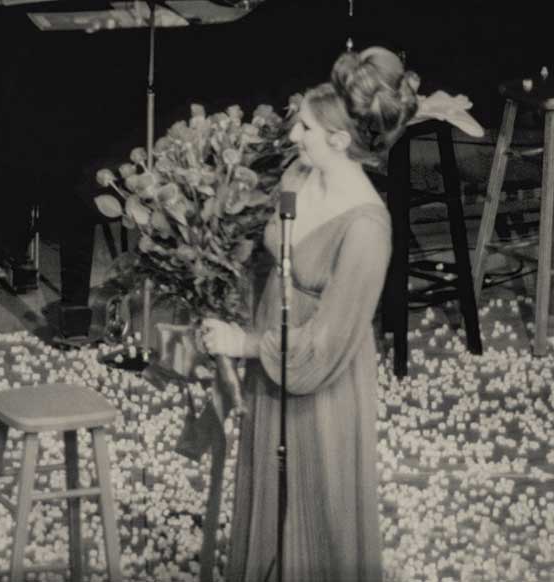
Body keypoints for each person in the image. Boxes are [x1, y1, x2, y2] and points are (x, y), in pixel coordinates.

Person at [201, 46, 419, 582]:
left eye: (304, 127)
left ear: (340, 141)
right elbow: (266, 258)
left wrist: (246, 344)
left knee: (317, 508)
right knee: (266, 498)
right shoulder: (299, 176)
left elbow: (326, 343)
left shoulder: (367, 228)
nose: (293, 135)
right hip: (270, 356)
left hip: (320, 382)